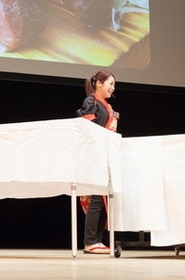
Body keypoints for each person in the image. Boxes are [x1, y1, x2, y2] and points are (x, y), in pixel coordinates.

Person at [76, 70, 119, 254]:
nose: (113, 88)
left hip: (105, 155)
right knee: (95, 198)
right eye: (110, 83)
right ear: (99, 83)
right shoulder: (91, 101)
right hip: (94, 155)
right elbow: (88, 128)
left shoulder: (107, 106)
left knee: (102, 199)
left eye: (114, 85)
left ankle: (98, 240)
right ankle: (90, 241)